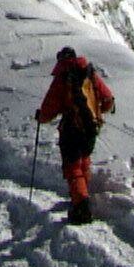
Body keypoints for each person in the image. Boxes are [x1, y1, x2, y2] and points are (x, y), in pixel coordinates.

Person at [35, 45, 116, 224]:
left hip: (72, 129)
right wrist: (98, 112)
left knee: (73, 167)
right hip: (91, 128)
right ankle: (82, 194)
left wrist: (41, 117)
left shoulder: (63, 77)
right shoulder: (89, 73)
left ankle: (81, 206)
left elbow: (50, 107)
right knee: (84, 161)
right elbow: (108, 99)